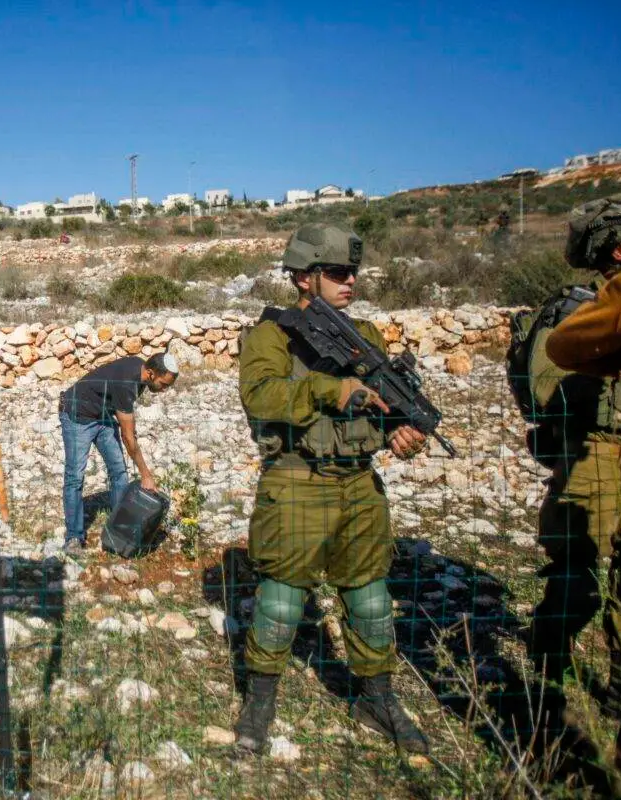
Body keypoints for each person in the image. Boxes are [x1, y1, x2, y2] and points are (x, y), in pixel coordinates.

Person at [233, 222, 430, 756]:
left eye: (354, 273)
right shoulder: (271, 335)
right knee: (282, 598)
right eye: (338, 273)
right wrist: (332, 388)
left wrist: (400, 434)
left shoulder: (365, 333)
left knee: (369, 595)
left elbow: (382, 407)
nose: (351, 282)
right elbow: (261, 396)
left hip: (360, 481)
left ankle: (377, 698)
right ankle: (260, 702)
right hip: (297, 478)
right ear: (303, 277)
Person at [545, 190, 621, 781]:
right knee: (580, 575)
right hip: (600, 456)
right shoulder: (582, 307)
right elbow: (546, 375)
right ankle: (549, 670)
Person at [58, 352, 178, 554]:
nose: (165, 390)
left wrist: (129, 429)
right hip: (77, 415)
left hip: (103, 416)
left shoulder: (140, 371)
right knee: (75, 478)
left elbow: (126, 418)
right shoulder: (126, 382)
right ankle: (74, 538)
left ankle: (119, 530)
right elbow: (128, 438)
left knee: (119, 472)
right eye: (163, 384)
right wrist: (146, 475)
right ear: (150, 373)